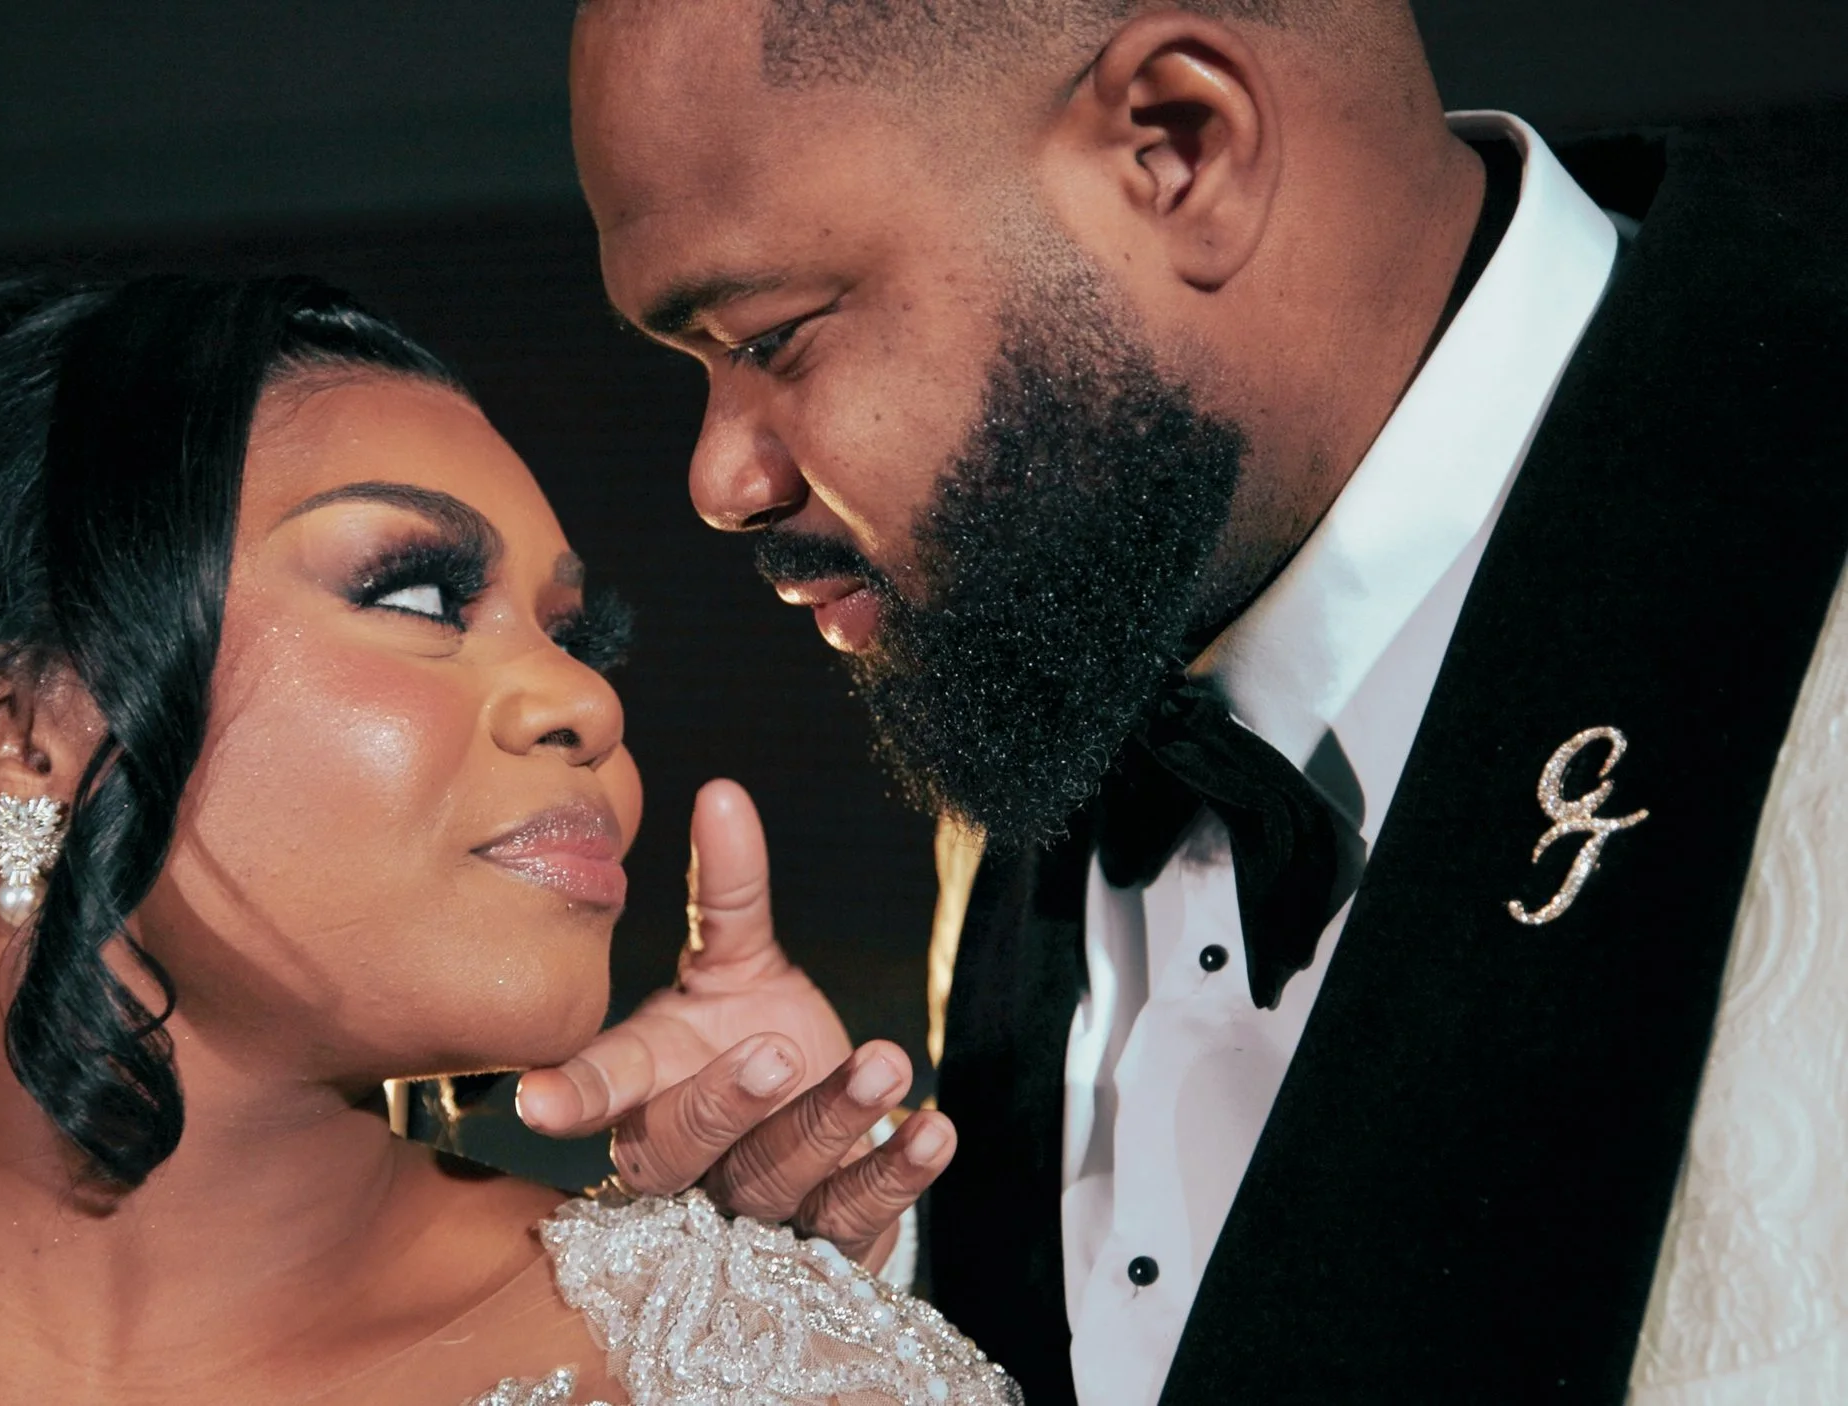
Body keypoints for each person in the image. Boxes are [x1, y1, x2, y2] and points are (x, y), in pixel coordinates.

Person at [529, 2, 1848, 1403]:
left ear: (1181, 150)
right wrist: (863, 1288)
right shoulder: (1077, 588)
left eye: (774, 336)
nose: (720, 482)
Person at [0, 273, 1014, 1406]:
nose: (581, 700)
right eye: (416, 592)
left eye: (571, 634)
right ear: (18, 731)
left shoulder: (747, 1373)